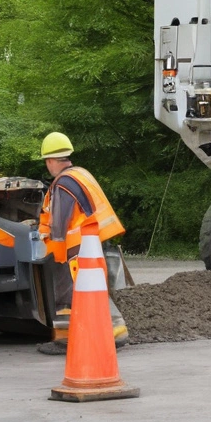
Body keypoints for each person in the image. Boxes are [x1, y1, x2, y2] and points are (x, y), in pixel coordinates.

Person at [35, 131, 130, 355]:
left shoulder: (64, 182)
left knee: (77, 291)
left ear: (50, 161)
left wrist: (51, 244)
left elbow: (60, 221)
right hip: (92, 242)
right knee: (88, 289)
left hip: (77, 247)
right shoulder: (80, 174)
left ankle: (72, 338)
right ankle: (113, 330)